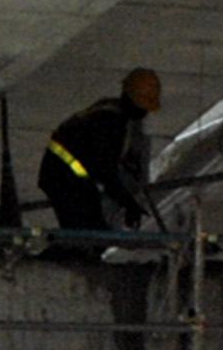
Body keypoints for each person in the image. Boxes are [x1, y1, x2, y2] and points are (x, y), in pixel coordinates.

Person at [42, 70, 163, 242]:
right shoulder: (110, 122)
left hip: (65, 175)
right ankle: (64, 253)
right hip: (63, 177)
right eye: (142, 106)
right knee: (88, 230)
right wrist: (129, 204)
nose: (145, 113)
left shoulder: (111, 113)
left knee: (90, 228)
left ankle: (69, 251)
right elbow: (106, 173)